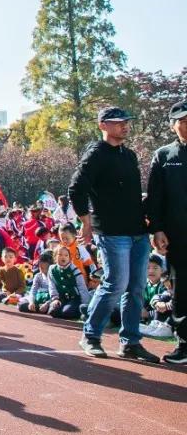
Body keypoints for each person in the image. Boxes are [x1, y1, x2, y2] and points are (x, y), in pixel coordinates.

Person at [70, 107, 160, 363]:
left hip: (137, 232)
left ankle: (130, 342)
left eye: (126, 122)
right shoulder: (95, 154)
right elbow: (76, 187)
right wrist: (86, 222)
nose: (125, 126)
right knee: (115, 284)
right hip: (111, 232)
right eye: (119, 122)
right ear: (103, 126)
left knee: (136, 287)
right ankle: (90, 335)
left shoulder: (129, 155)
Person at [143, 98, 187, 364]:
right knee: (181, 290)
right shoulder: (163, 155)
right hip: (178, 236)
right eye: (182, 121)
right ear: (173, 126)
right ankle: (184, 345)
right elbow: (155, 197)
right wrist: (156, 229)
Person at [48, 245, 91, 320]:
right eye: (60, 255)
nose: (63, 257)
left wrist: (85, 304)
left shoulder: (74, 270)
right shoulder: (52, 269)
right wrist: (55, 299)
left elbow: (82, 288)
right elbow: (52, 286)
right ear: (55, 257)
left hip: (74, 298)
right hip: (62, 298)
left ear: (69, 258)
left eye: (66, 255)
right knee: (53, 312)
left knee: (67, 312)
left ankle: (79, 311)